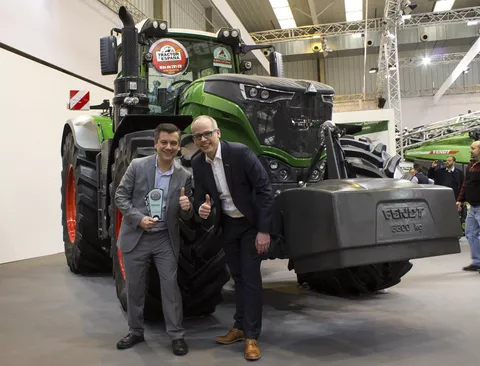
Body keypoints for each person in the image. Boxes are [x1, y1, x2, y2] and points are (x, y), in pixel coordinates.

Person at [189, 115, 274, 361]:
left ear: (218, 133)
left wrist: (264, 230)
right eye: (197, 136)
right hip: (228, 225)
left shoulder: (241, 154)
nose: (203, 139)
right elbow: (201, 198)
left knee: (250, 278)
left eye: (207, 134)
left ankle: (251, 336)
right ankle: (238, 327)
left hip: (250, 225)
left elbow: (264, 190)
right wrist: (201, 209)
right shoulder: (198, 163)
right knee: (237, 278)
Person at [114, 123, 193, 355]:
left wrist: (187, 208)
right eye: (164, 142)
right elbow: (120, 195)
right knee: (135, 288)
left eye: (174, 143)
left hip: (164, 239)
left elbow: (186, 213)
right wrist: (138, 218)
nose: (169, 147)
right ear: (156, 144)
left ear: (179, 147)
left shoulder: (183, 175)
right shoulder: (138, 166)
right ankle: (135, 331)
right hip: (136, 236)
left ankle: (177, 335)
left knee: (171, 288)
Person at [457, 141, 480, 272]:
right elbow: (466, 185)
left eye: (473, 148)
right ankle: (477, 262)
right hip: (473, 207)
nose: (470, 150)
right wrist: (460, 200)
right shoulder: (470, 166)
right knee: (470, 233)